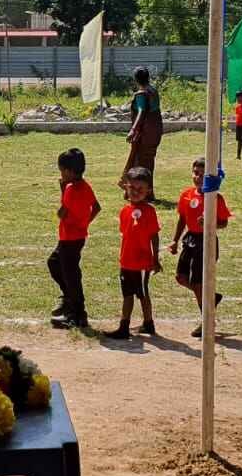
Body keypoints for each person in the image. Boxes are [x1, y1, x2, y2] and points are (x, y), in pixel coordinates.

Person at [170, 156, 231, 338]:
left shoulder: (215, 198)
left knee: (198, 282)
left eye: (203, 175)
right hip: (190, 239)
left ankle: (207, 321)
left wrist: (210, 223)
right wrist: (175, 239)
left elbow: (224, 222)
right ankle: (211, 297)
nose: (198, 178)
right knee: (181, 277)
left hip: (207, 240)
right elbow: (182, 218)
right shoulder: (187, 194)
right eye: (196, 173)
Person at [104, 166, 161, 340]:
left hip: (142, 263)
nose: (135, 192)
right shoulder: (124, 211)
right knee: (127, 295)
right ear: (126, 187)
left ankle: (148, 323)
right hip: (126, 262)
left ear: (148, 191)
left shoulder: (150, 211)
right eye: (132, 188)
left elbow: (154, 236)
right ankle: (124, 326)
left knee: (143, 294)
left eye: (140, 189)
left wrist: (155, 258)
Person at [49, 146, 100, 330]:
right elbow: (96, 207)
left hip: (69, 238)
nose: (61, 174)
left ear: (69, 172)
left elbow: (61, 214)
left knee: (71, 275)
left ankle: (77, 314)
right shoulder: (86, 186)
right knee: (54, 263)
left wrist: (63, 191)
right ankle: (69, 298)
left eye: (62, 171)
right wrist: (85, 223)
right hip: (76, 237)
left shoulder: (70, 189)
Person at [119, 66, 163, 200]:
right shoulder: (153, 91)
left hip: (144, 133)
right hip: (155, 132)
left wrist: (133, 130)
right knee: (148, 162)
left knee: (138, 162)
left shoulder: (141, 94)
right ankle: (143, 192)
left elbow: (141, 111)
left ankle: (140, 193)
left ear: (135, 79)